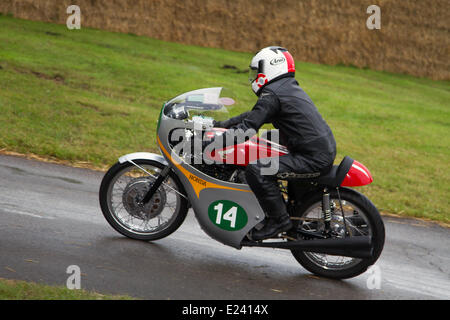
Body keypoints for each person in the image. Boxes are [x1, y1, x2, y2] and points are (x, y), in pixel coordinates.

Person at [214, 46, 337, 241]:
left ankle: (278, 220)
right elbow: (252, 115)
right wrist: (221, 125)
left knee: (257, 169)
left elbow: (247, 128)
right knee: (263, 143)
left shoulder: (272, 94)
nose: (255, 77)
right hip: (315, 149)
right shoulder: (284, 89)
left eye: (257, 71)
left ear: (269, 69)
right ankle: (276, 211)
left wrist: (213, 143)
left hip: (311, 157)